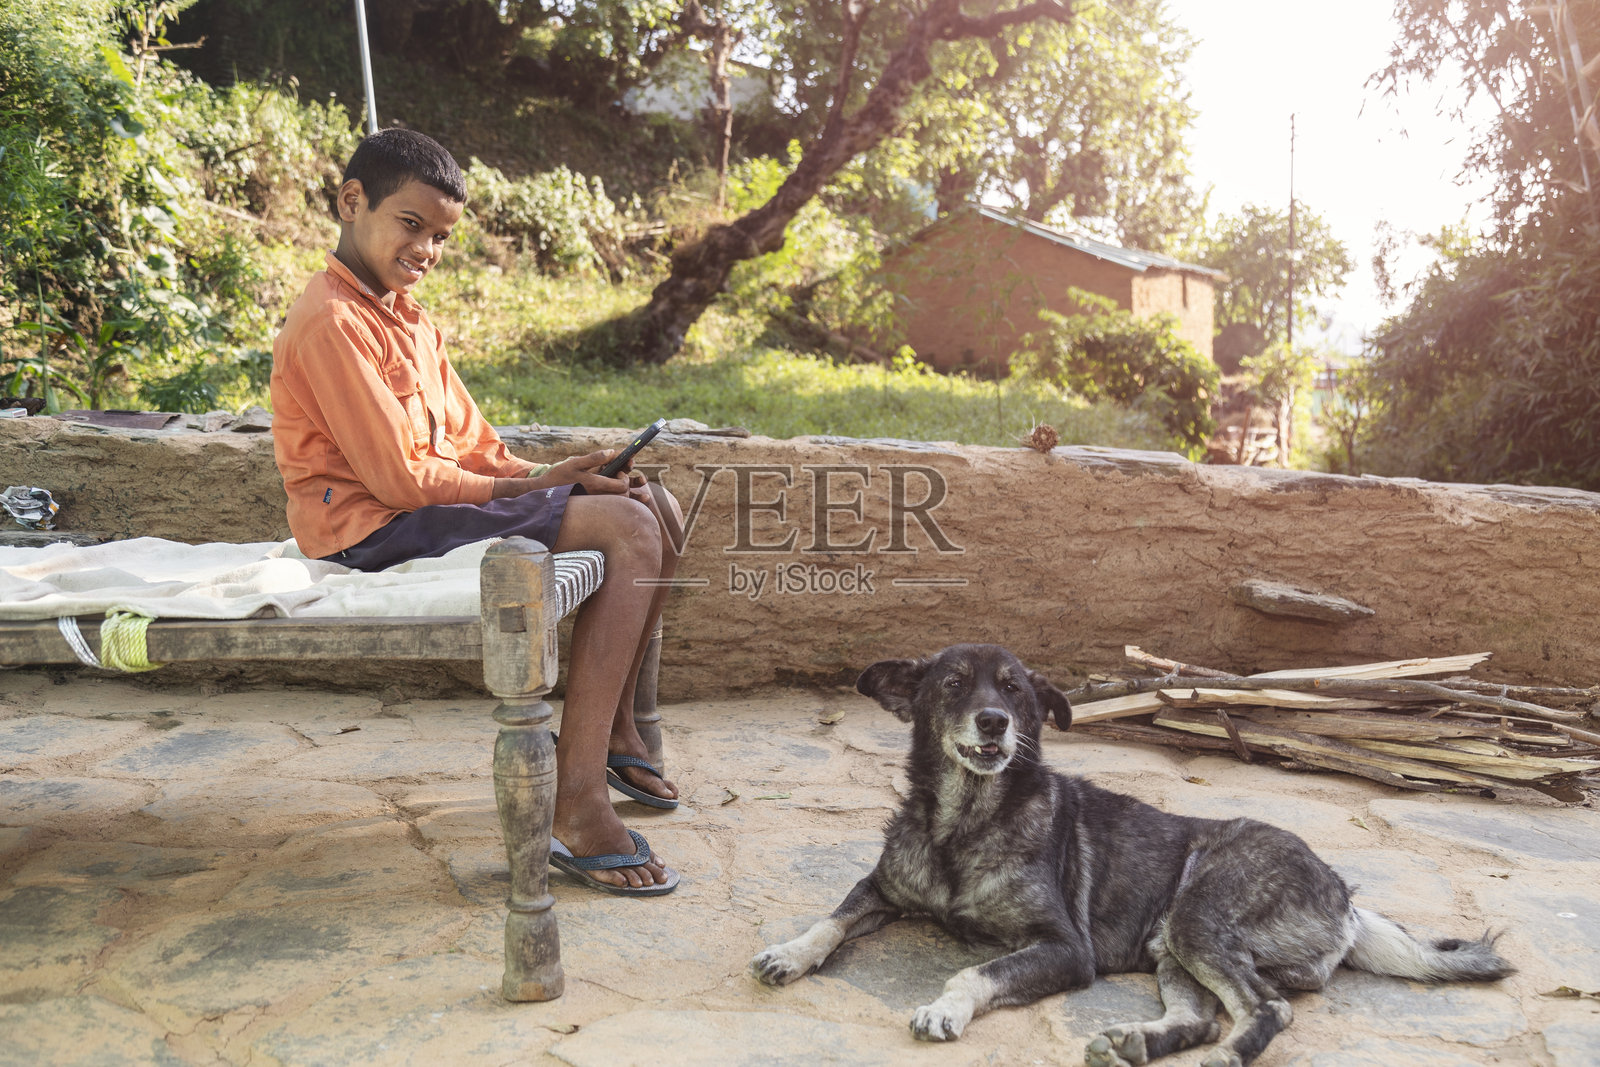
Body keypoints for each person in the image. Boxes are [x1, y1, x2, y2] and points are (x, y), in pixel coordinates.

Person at [271, 128, 681, 895]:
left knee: (649, 499)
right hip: (371, 528)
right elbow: (400, 480)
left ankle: (614, 731)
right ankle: (577, 800)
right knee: (627, 526)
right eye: (411, 224)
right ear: (351, 202)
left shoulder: (410, 319)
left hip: (417, 507)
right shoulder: (332, 322)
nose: (427, 247)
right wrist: (530, 492)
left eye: (442, 236)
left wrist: (553, 474)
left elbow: (475, 446)